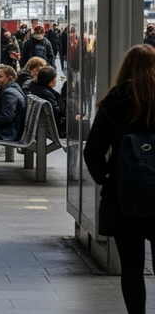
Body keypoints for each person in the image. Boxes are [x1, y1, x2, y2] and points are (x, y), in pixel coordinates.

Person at [84, 45, 155, 314]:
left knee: (132, 268)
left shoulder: (115, 100)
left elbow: (92, 150)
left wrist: (106, 177)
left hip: (125, 194)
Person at [28, 66, 66, 139]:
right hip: (53, 128)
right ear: (51, 81)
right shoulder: (47, 94)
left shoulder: (35, 88)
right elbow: (58, 112)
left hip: (42, 125)